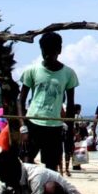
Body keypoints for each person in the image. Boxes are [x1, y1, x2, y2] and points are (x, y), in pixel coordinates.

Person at [19, 32, 79, 172]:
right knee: (26, 164)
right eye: (44, 51)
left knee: (52, 169)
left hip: (54, 126)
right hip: (33, 123)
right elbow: (20, 101)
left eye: (51, 51)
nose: (47, 55)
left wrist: (69, 133)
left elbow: (70, 106)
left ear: (59, 50)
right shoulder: (32, 70)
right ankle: (27, 193)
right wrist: (23, 127)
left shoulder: (68, 73)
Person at [62, 103, 82, 176]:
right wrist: (77, 134)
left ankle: (66, 167)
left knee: (68, 151)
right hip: (70, 134)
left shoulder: (66, 114)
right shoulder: (74, 115)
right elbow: (74, 126)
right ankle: (70, 167)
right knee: (71, 150)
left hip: (66, 134)